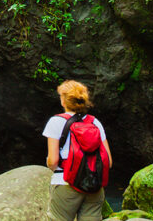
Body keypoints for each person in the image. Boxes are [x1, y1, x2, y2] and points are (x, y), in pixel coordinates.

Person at [43, 80, 112, 221]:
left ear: (64, 101)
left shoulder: (56, 122)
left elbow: (53, 161)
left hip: (65, 183)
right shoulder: (95, 122)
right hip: (94, 185)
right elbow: (108, 162)